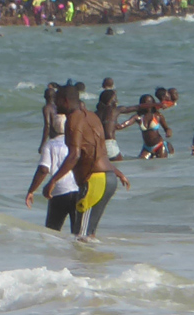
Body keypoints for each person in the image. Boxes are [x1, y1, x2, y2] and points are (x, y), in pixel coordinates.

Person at [44, 82, 129, 241]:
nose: (54, 104)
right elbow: (100, 153)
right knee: (88, 234)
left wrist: (53, 181)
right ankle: (93, 265)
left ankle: (83, 265)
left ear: (66, 101)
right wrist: (117, 173)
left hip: (94, 181)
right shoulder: (92, 117)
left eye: (57, 100)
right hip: (107, 178)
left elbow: (74, 155)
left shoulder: (73, 119)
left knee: (80, 237)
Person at [26, 114, 84, 233]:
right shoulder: (78, 143)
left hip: (59, 193)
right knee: (78, 233)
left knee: (52, 232)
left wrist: (31, 191)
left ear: (53, 128)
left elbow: (43, 169)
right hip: (79, 191)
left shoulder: (50, 144)